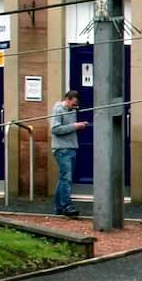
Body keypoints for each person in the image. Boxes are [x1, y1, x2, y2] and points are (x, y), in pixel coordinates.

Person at [50, 89, 87, 217]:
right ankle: (67, 206)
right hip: (62, 149)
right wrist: (75, 126)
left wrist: (80, 125)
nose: (75, 107)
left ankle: (59, 207)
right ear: (68, 99)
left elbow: (71, 125)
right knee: (66, 177)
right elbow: (55, 129)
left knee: (63, 178)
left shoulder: (72, 110)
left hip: (71, 147)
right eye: (73, 104)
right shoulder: (58, 110)